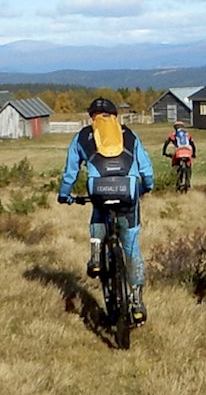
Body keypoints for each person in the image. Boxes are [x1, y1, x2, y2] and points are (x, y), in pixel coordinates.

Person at [58, 97, 155, 323]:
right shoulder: (129, 134)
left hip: (98, 191)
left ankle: (95, 257)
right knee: (131, 248)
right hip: (128, 193)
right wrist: (147, 186)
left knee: (99, 212)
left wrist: (64, 195)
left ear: (92, 117)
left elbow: (70, 172)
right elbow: (146, 168)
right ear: (115, 116)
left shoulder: (83, 136)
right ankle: (137, 302)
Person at [161, 121, 197, 190]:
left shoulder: (173, 135)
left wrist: (164, 152)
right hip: (188, 151)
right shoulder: (187, 134)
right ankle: (188, 182)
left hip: (178, 152)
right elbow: (193, 144)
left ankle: (177, 182)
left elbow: (166, 143)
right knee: (189, 166)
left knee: (175, 165)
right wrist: (194, 154)